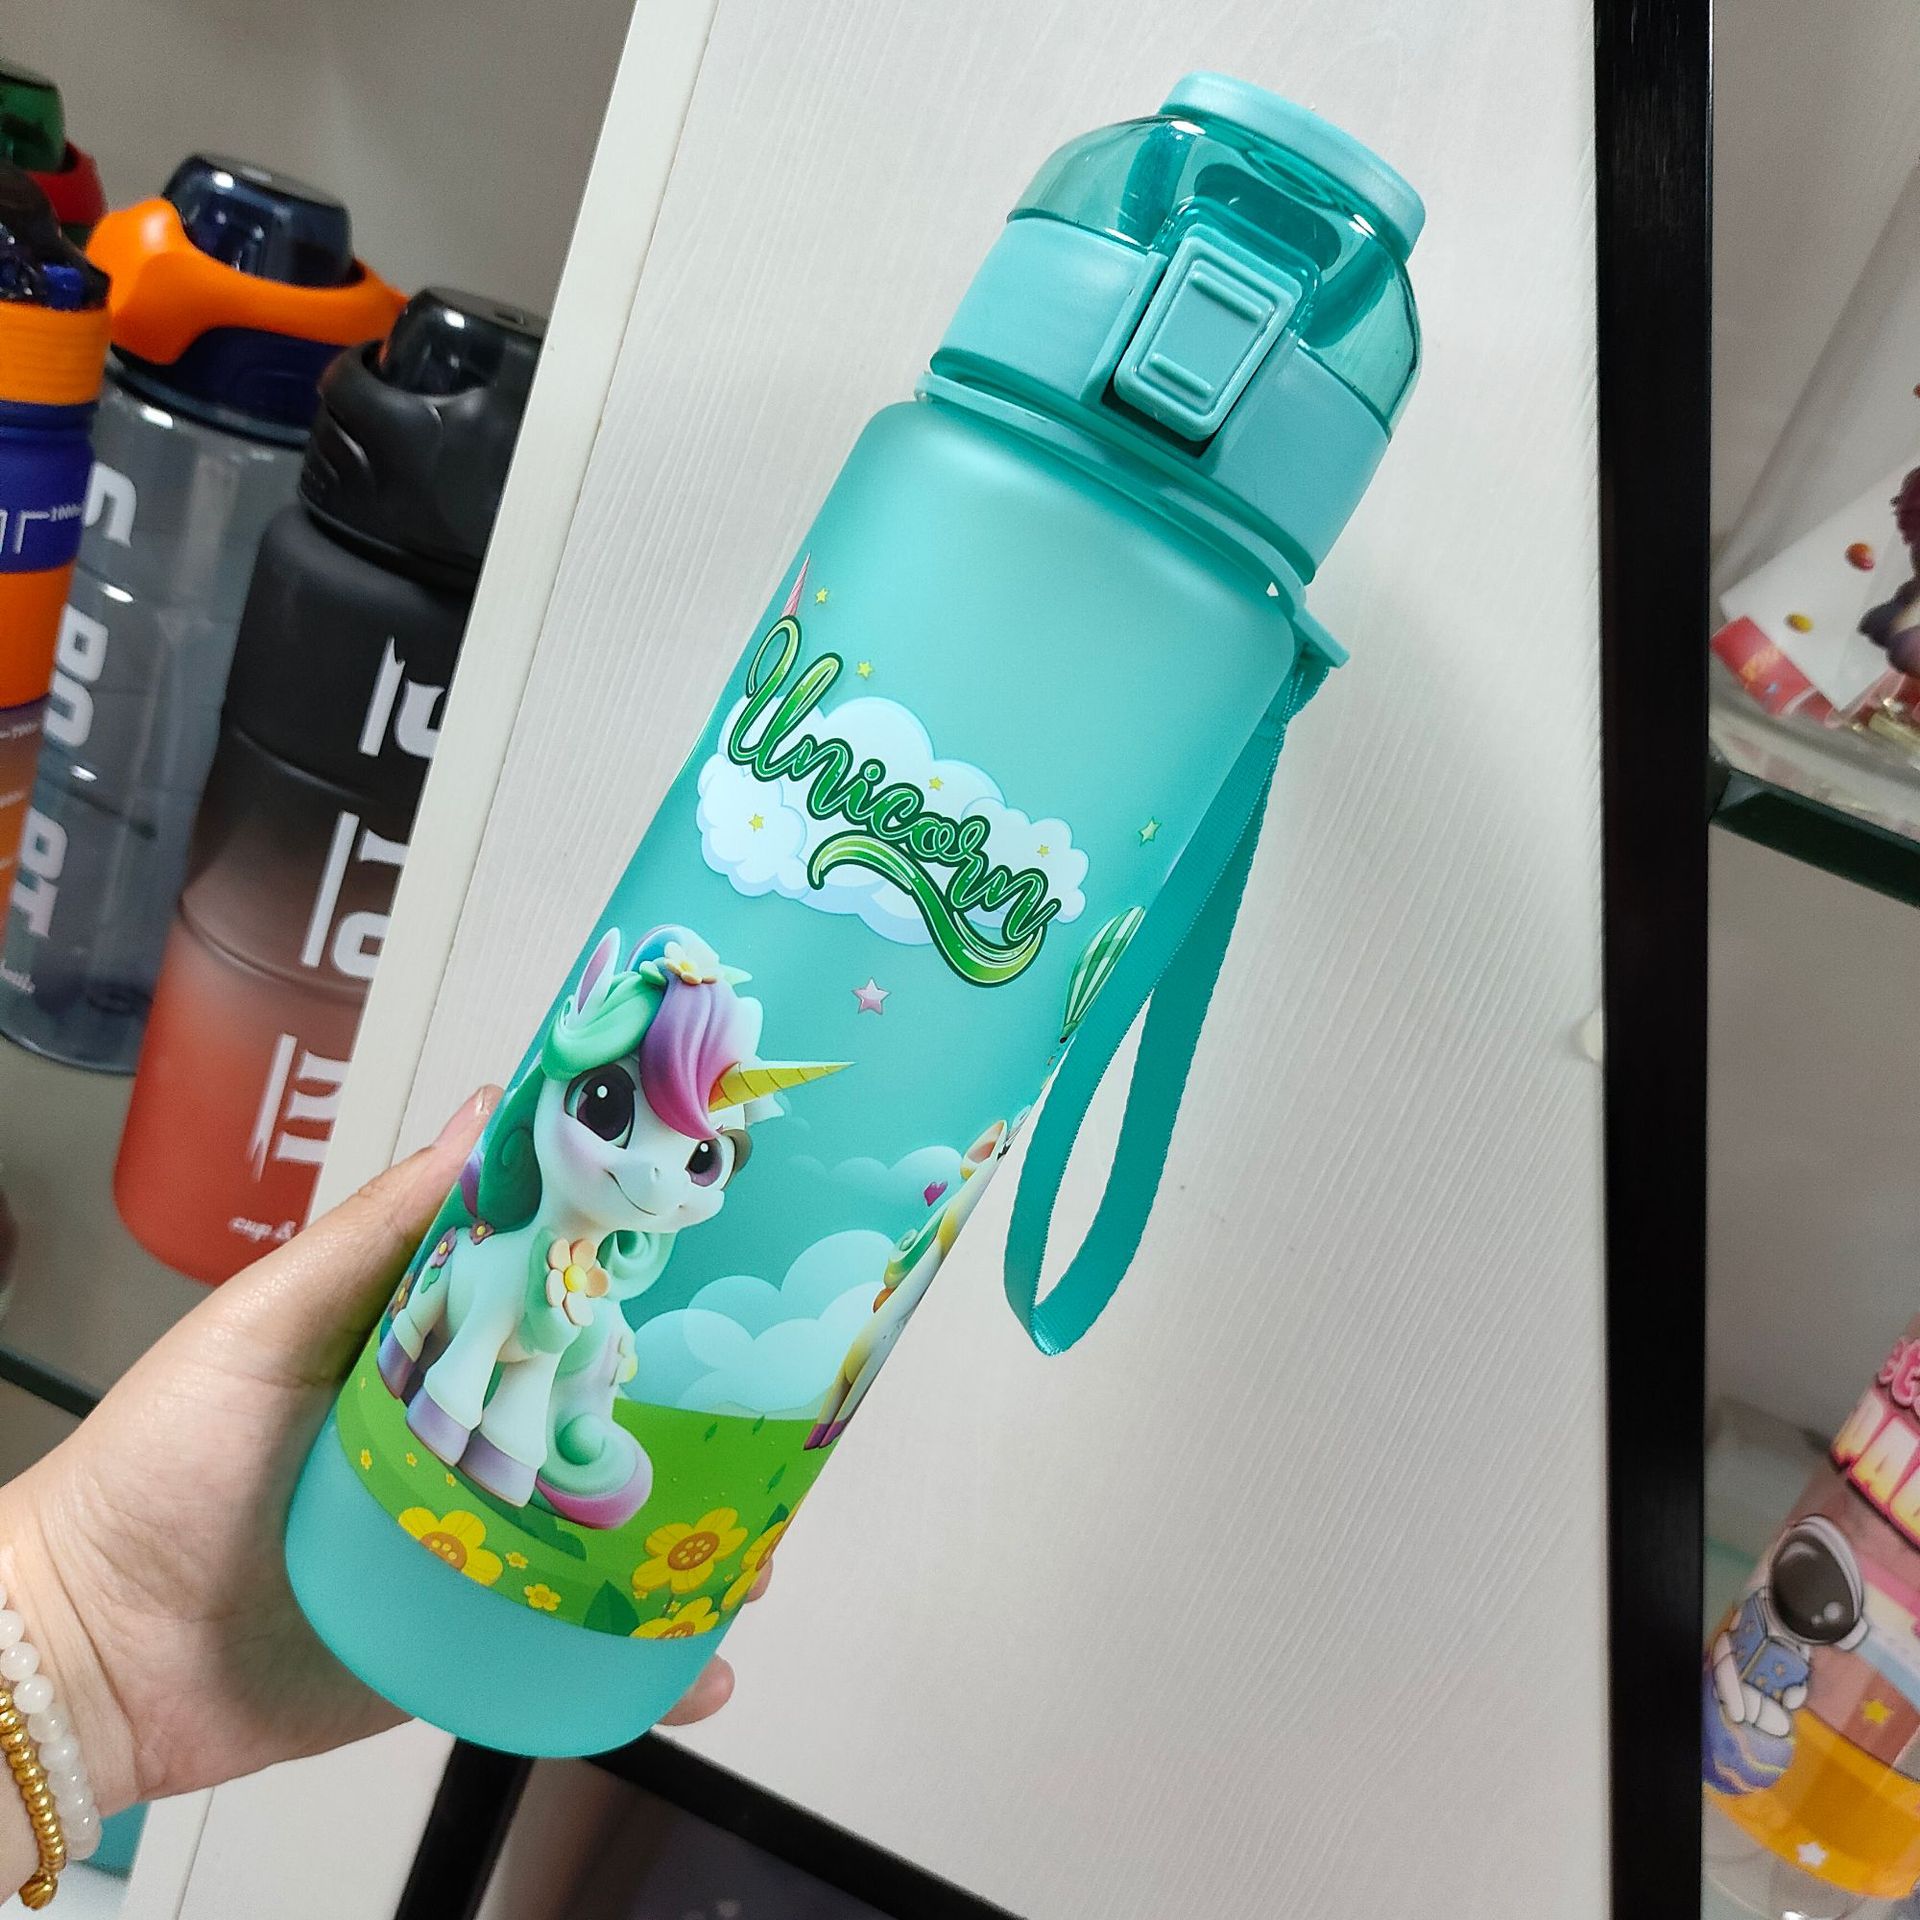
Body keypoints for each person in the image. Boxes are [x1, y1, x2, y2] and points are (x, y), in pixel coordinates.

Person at [0, 1087, 755, 1893]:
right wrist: (78, 1628)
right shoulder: (493, 1255)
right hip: (341, 1531)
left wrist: (85, 1652)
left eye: (701, 1159)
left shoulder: (595, 1298)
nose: (654, 1171)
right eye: (606, 1108)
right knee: (462, 1376)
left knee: (532, 1410)